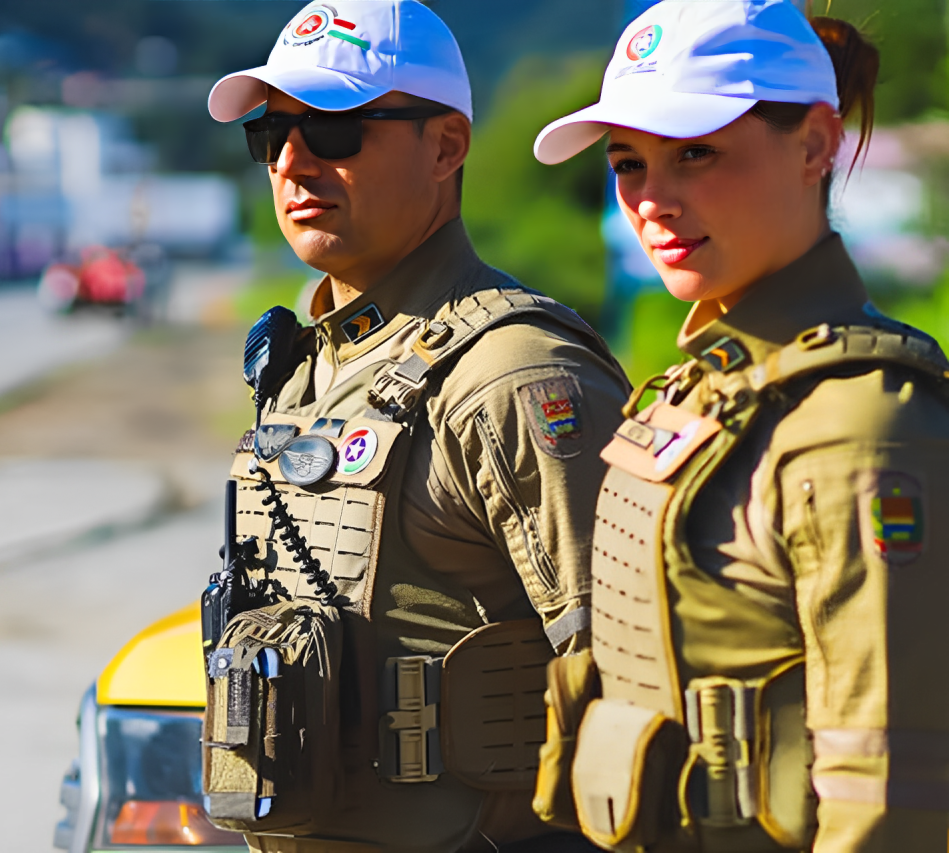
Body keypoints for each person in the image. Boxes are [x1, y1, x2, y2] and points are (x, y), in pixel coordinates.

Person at [198, 2, 630, 852]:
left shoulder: (515, 374)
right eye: (272, 133)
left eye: (335, 130)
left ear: (445, 146)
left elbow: (632, 681)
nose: (292, 161)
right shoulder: (303, 365)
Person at [531, 1, 949, 850]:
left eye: (697, 154)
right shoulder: (700, 386)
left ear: (815, 145)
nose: (653, 199)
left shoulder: (860, 424)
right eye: (628, 162)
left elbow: (889, 798)